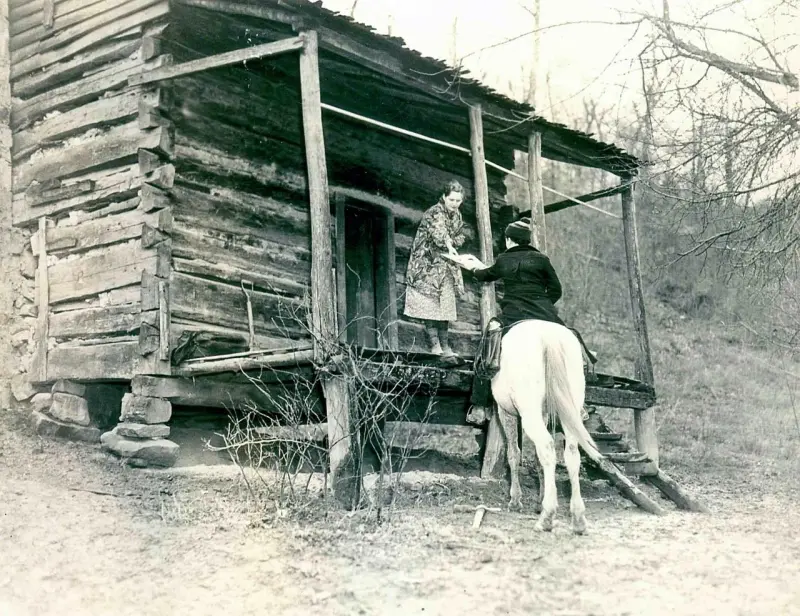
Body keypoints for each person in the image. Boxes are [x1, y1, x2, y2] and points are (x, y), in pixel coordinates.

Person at [455, 217, 597, 425]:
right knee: (570, 340)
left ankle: (478, 405)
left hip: (515, 314)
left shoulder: (504, 259)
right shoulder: (541, 259)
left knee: (489, 343)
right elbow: (557, 289)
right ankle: (579, 405)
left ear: (509, 240)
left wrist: (472, 268)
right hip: (545, 312)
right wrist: (542, 303)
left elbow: (486, 275)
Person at [403, 180, 467, 357]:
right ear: (444, 197)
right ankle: (435, 345)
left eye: (458, 200)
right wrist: (449, 243)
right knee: (430, 305)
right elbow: (440, 234)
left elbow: (461, 235)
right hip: (427, 267)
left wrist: (454, 242)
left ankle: (446, 345)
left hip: (445, 266)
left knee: (445, 305)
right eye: (452, 200)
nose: (455, 204)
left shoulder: (457, 216)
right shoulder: (434, 212)